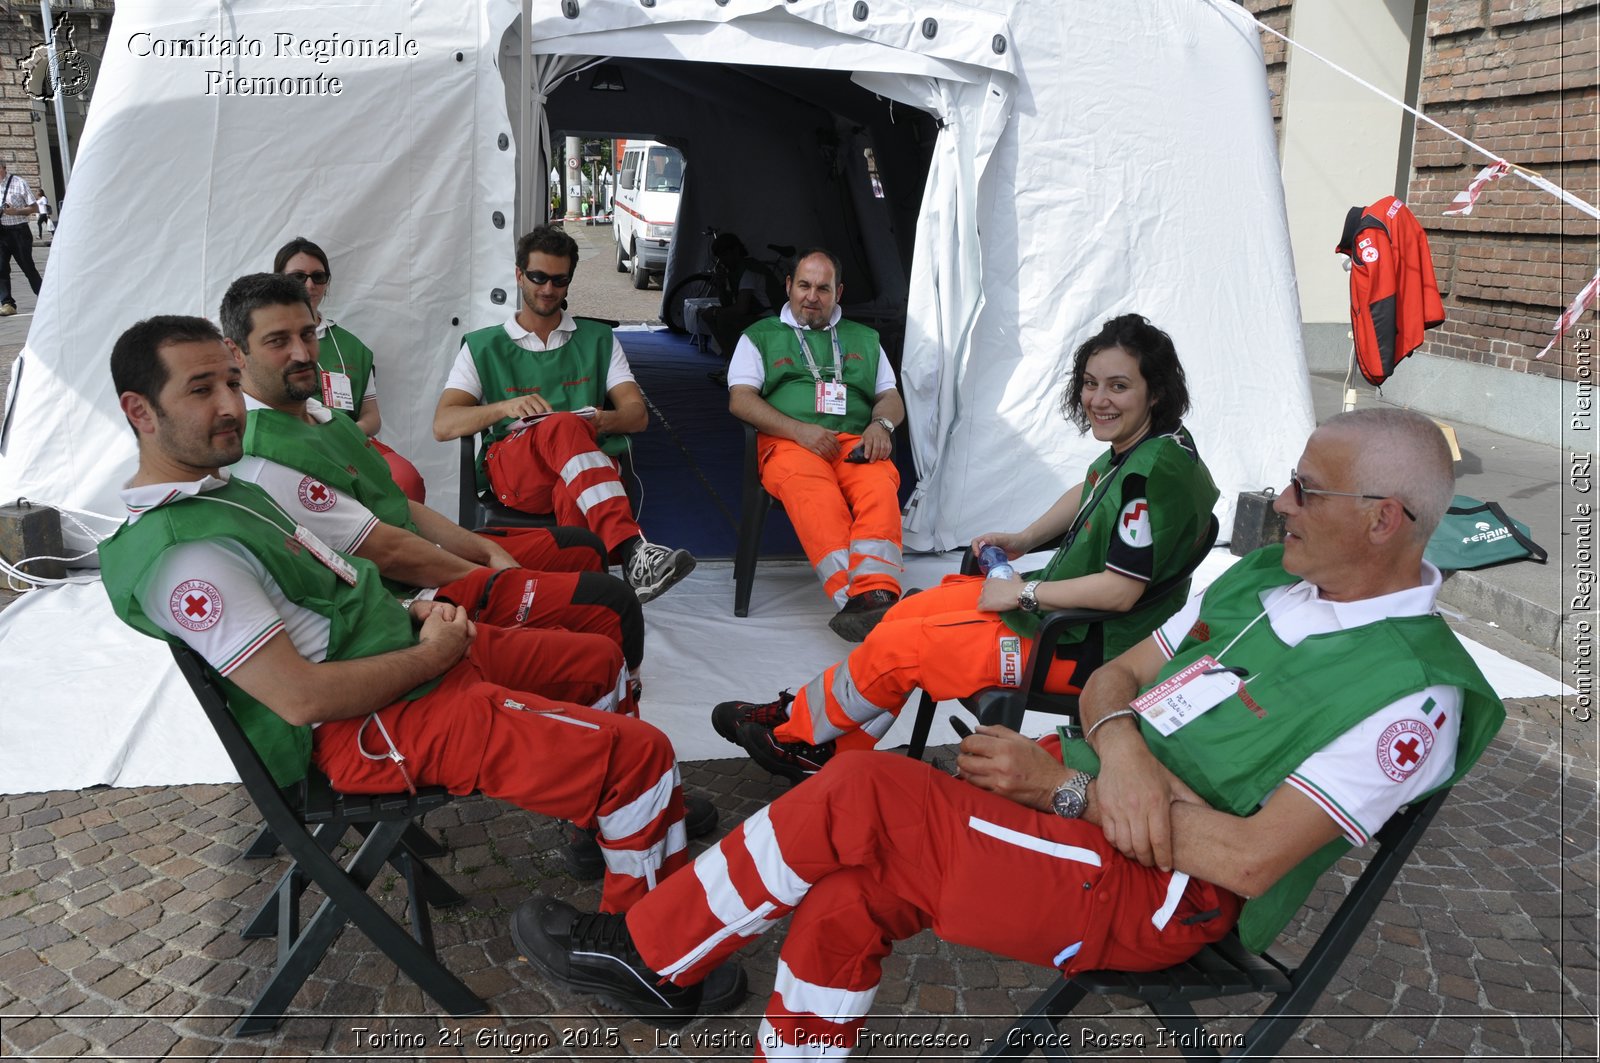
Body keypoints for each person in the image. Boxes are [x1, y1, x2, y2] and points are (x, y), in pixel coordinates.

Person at [511, 407, 1506, 1048]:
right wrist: (1112, 752)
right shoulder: (1265, 578)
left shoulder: (1411, 693)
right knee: (848, 893)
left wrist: (1065, 786)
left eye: (1305, 490)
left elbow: (1246, 862)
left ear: (1385, 520)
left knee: (866, 791)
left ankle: (650, 953)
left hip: (1165, 896)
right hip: (1089, 811)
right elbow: (1117, 673)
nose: (1278, 502)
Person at [97, 316, 753, 964]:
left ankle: (609, 825)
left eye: (230, 384)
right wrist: (430, 650)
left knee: (601, 659)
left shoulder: (220, 490)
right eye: (200, 388)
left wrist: (416, 614)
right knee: (641, 756)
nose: (229, 406)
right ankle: (648, 951)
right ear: (140, 410)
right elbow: (300, 700)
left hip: (402, 659)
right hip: (371, 722)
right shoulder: (189, 556)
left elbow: (338, 586)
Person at [716, 313, 1218, 780]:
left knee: (905, 645)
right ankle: (821, 743)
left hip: (1085, 649)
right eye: (1091, 383)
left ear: (1155, 392)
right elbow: (1090, 489)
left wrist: (1022, 596)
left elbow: (1120, 592)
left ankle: (795, 736)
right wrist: (1023, 539)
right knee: (905, 614)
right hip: (1068, 618)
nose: (1098, 399)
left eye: (1119, 386)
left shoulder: (1152, 474)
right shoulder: (1156, 445)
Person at [219, 272, 649, 683]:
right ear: (236, 353)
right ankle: (585, 668)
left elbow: (399, 506)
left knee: (583, 548)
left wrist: (485, 551)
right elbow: (391, 551)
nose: (302, 352)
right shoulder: (266, 456)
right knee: (611, 603)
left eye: (308, 335)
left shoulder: (325, 417)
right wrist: (492, 576)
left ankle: (563, 653)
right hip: (401, 600)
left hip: (426, 554)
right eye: (278, 341)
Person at [434, 224, 695, 604]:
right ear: (519, 275)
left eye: (559, 280)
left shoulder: (599, 339)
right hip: (517, 473)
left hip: (580, 475)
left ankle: (581, 601)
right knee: (563, 430)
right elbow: (443, 425)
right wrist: (505, 408)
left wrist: (595, 422)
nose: (548, 289)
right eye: (538, 277)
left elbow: (637, 415)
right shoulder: (483, 345)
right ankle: (629, 548)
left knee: (572, 483)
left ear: (569, 282)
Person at [728, 249, 907, 641]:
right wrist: (798, 430)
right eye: (804, 285)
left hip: (853, 442)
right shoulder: (760, 337)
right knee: (815, 494)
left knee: (880, 484)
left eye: (823, 288)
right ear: (789, 286)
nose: (812, 296)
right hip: (790, 444)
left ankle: (877, 591)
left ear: (837, 292)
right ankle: (856, 602)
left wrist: (882, 424)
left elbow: (890, 396)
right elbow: (740, 399)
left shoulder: (865, 338)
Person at [272, 236, 427, 503]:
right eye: (298, 277)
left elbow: (372, 417)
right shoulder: (265, 341)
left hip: (350, 441)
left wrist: (346, 435)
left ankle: (400, 544)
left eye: (318, 277)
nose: (309, 285)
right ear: (278, 281)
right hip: (294, 444)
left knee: (405, 479)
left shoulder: (351, 346)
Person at [701, 233, 779, 359]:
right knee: (711, 315)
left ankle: (733, 361)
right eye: (720, 257)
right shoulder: (734, 271)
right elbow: (728, 304)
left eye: (724, 255)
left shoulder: (748, 271)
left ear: (736, 251)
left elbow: (741, 308)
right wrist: (721, 286)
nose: (722, 261)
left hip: (768, 317)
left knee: (722, 318)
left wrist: (716, 312)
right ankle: (730, 360)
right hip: (755, 314)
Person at [0, 160, 42, 317]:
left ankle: (44, 298)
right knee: (1, 268)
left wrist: (15, 211)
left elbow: (34, 207)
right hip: (1, 232)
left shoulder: (19, 183)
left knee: (27, 266)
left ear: (4, 168)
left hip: (19, 231)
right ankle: (7, 303)